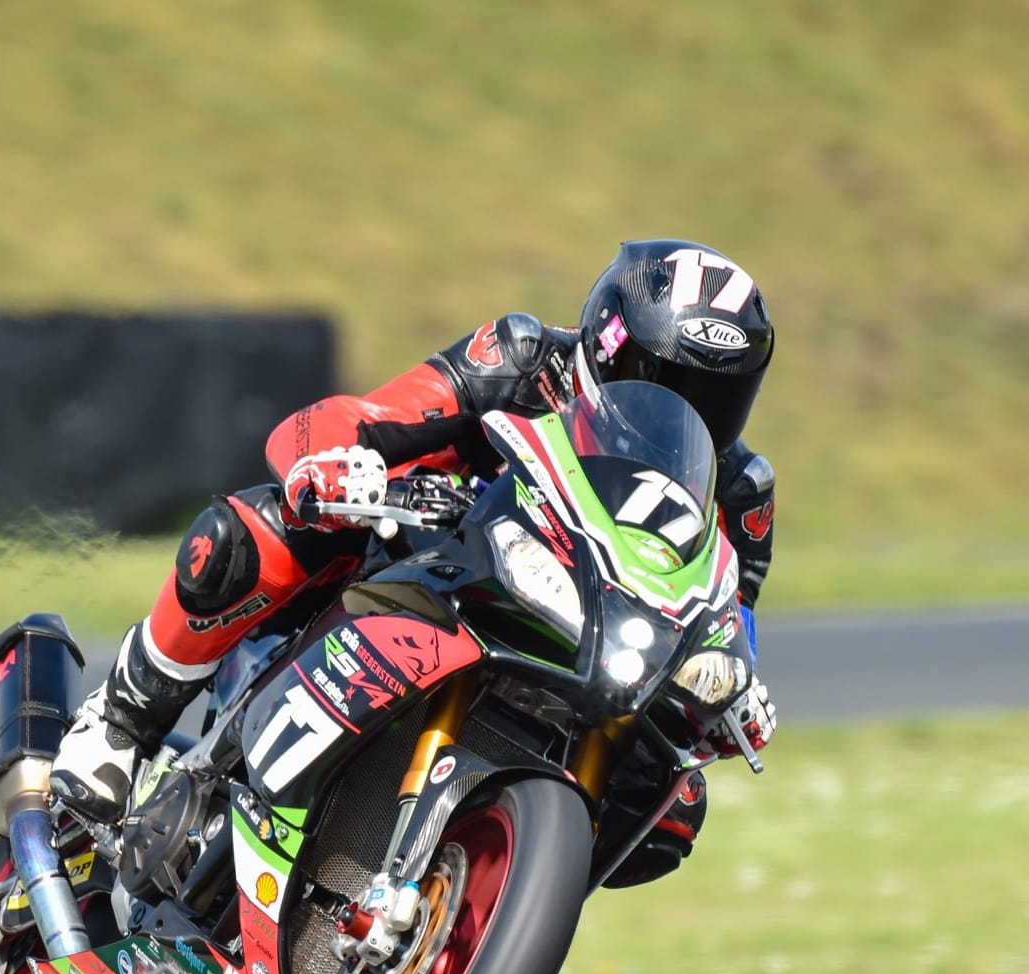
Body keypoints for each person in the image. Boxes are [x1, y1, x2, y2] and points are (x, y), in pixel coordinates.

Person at [50, 240, 781, 882]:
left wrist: (735, 691)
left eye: (717, 397)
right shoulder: (526, 360)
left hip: (589, 641)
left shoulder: (740, 490)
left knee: (674, 800)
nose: (686, 410)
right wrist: (337, 465)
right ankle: (121, 719)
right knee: (249, 538)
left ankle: (479, 911)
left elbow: (729, 622)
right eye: (663, 379)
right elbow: (370, 418)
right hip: (429, 570)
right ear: (610, 345)